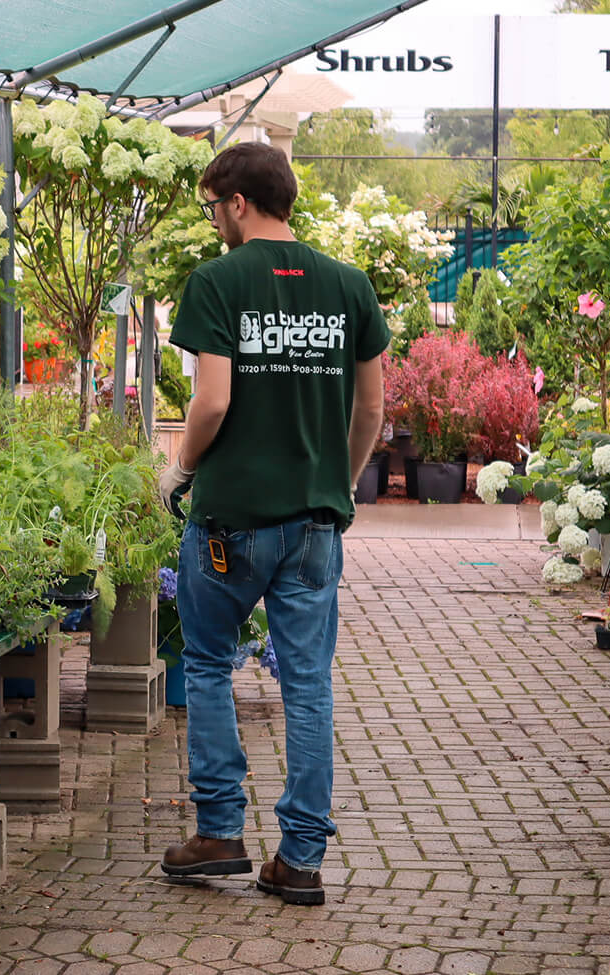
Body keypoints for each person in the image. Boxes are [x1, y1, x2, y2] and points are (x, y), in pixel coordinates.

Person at [156, 142, 387, 905]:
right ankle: (299, 860)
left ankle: (220, 831)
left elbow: (212, 401)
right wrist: (339, 483)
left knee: (212, 664)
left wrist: (180, 469)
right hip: (314, 523)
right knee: (309, 685)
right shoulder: (348, 285)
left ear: (239, 203)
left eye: (211, 205)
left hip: (230, 520)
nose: (213, 219)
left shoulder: (218, 282)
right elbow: (372, 409)